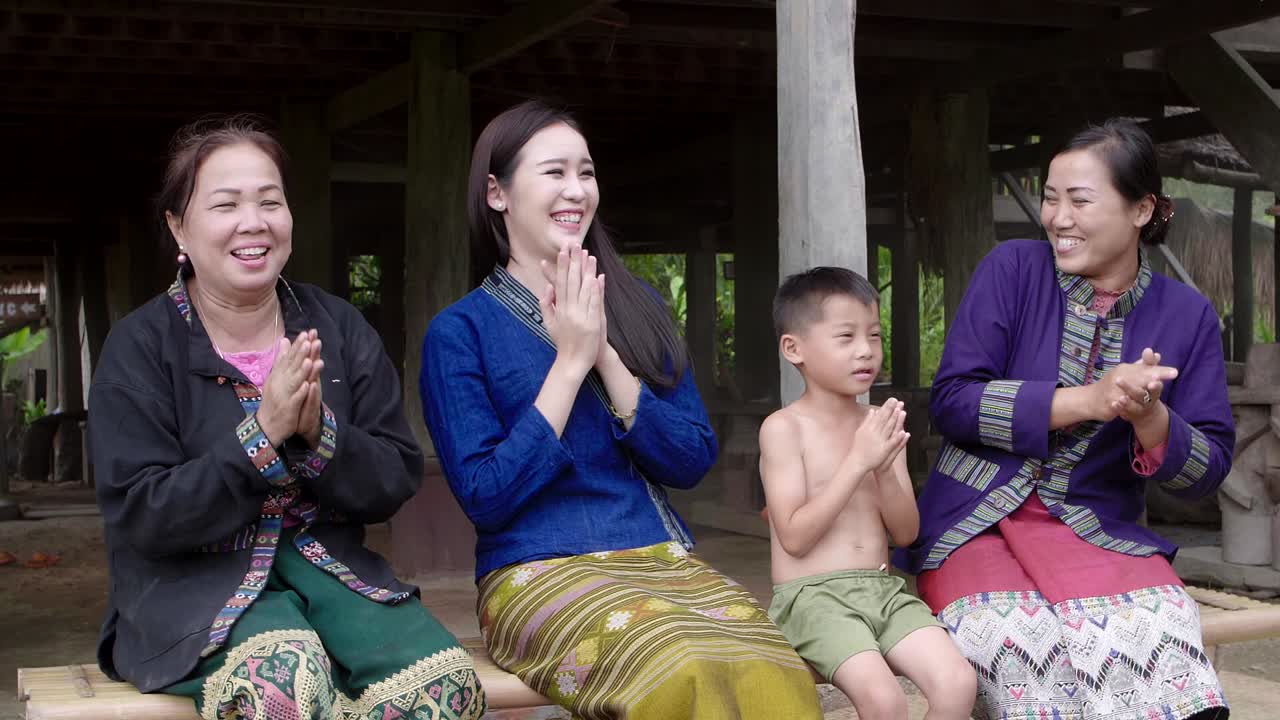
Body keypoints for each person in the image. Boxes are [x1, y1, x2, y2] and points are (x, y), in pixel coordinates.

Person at [420, 99, 823, 719]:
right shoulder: (460, 331)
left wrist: (604, 351)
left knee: (771, 664)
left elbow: (690, 458)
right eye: (553, 173)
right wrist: (568, 364)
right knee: (679, 665)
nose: (575, 190)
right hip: (532, 572)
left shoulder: (640, 308)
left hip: (658, 558)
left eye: (586, 172)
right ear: (497, 193)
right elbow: (486, 495)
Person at [89, 117, 484, 720]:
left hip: (331, 574)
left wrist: (318, 433)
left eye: (269, 201)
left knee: (444, 690)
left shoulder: (338, 328)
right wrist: (261, 436)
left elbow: (393, 477)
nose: (254, 222)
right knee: (284, 686)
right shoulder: (140, 345)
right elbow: (143, 515)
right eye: (226, 205)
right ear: (179, 227)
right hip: (190, 590)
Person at [895, 118, 1233, 720]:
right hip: (976, 524)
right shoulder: (1012, 269)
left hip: (1098, 527)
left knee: (1163, 634)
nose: (1057, 218)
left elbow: (1206, 471)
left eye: (1079, 200)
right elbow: (952, 402)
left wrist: (1150, 418)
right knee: (1023, 648)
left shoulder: (1188, 314)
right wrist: (1089, 401)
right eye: (1051, 198)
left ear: (1140, 209)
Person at [760, 267, 976, 720]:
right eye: (846, 337)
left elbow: (906, 531)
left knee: (957, 682)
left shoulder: (878, 422)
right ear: (793, 348)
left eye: (874, 336)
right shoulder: (784, 429)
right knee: (885, 701)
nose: (866, 351)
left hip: (883, 590)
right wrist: (858, 461)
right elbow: (795, 538)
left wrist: (882, 468)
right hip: (814, 597)